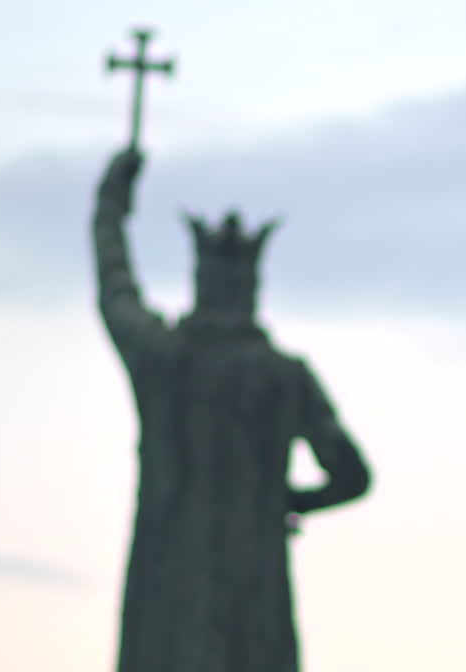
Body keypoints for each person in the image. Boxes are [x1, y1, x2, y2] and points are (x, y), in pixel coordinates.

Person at [93, 147, 371, 672]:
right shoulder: (283, 376)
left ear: (201, 280)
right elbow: (353, 476)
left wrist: (111, 203)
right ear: (252, 286)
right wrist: (282, 501)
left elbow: (115, 288)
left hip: (166, 597)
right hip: (254, 601)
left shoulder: (163, 359)